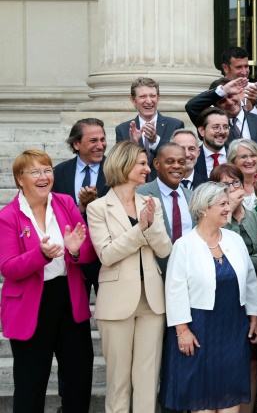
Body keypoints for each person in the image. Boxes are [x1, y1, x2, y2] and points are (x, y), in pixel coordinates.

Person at [0, 149, 96, 413]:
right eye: (35, 172)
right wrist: (40, 255)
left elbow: (87, 249)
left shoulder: (66, 203)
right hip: (30, 305)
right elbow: (8, 268)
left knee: (78, 380)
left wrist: (75, 250)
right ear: (20, 179)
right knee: (31, 384)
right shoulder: (9, 216)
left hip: (68, 300)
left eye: (47, 170)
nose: (43, 177)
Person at [86, 140, 172, 413]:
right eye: (143, 163)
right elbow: (107, 255)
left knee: (148, 380)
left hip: (152, 301)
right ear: (123, 165)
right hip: (116, 303)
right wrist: (141, 230)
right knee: (118, 381)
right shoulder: (98, 208)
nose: (148, 169)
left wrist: (149, 227)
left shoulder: (152, 202)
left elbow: (164, 248)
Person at [161, 181, 257, 412]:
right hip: (199, 329)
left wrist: (253, 317)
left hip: (234, 327)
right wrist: (182, 330)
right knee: (201, 399)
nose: (228, 208)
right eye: (222, 204)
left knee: (230, 396)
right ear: (204, 209)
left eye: (228, 203)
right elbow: (175, 290)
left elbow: (249, 280)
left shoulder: (234, 240)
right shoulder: (184, 245)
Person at [209, 164, 257, 413]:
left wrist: (244, 258)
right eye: (224, 186)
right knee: (225, 362)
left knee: (252, 364)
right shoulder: (211, 221)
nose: (231, 189)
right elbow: (219, 255)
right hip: (225, 302)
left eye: (234, 183)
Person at [52, 118, 110, 297]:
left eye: (102, 139)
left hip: (107, 255)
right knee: (74, 318)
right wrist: (81, 207)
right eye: (93, 141)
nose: (100, 145)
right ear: (76, 144)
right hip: (73, 256)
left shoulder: (116, 170)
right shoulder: (59, 172)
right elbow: (54, 213)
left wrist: (96, 203)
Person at [136, 142, 195, 273]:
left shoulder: (193, 197)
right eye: (170, 161)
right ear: (156, 164)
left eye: (181, 162)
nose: (176, 166)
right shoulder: (140, 194)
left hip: (190, 272)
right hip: (154, 273)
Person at [115, 77, 185, 166]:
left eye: (152, 96)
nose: (148, 101)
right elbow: (119, 165)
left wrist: (156, 141)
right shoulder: (122, 129)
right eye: (143, 96)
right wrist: (133, 144)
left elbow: (179, 157)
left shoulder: (175, 125)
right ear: (133, 100)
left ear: (158, 98)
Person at [221, 46, 257, 119]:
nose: (244, 72)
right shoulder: (218, 91)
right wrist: (246, 110)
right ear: (225, 68)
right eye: (238, 67)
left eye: (246, 66)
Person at [227, 138, 257, 215]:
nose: (250, 161)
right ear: (233, 160)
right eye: (243, 157)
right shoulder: (226, 186)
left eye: (253, 155)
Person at [193, 106, 231, 184]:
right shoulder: (193, 158)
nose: (222, 132)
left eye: (225, 127)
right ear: (202, 131)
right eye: (216, 127)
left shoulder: (235, 157)